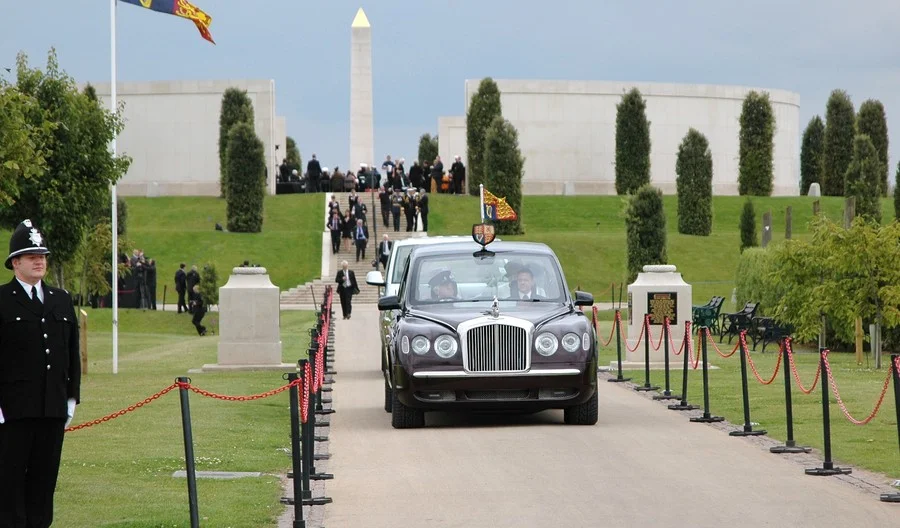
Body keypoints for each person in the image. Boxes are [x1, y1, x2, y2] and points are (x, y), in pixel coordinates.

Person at [0, 219, 81, 527]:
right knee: (9, 484)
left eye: (42, 255)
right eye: (31, 255)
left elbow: (71, 352)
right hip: (12, 411)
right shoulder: (3, 300)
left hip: (52, 408)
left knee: (44, 483)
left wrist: (72, 396)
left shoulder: (61, 299)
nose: (39, 261)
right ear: (15, 262)